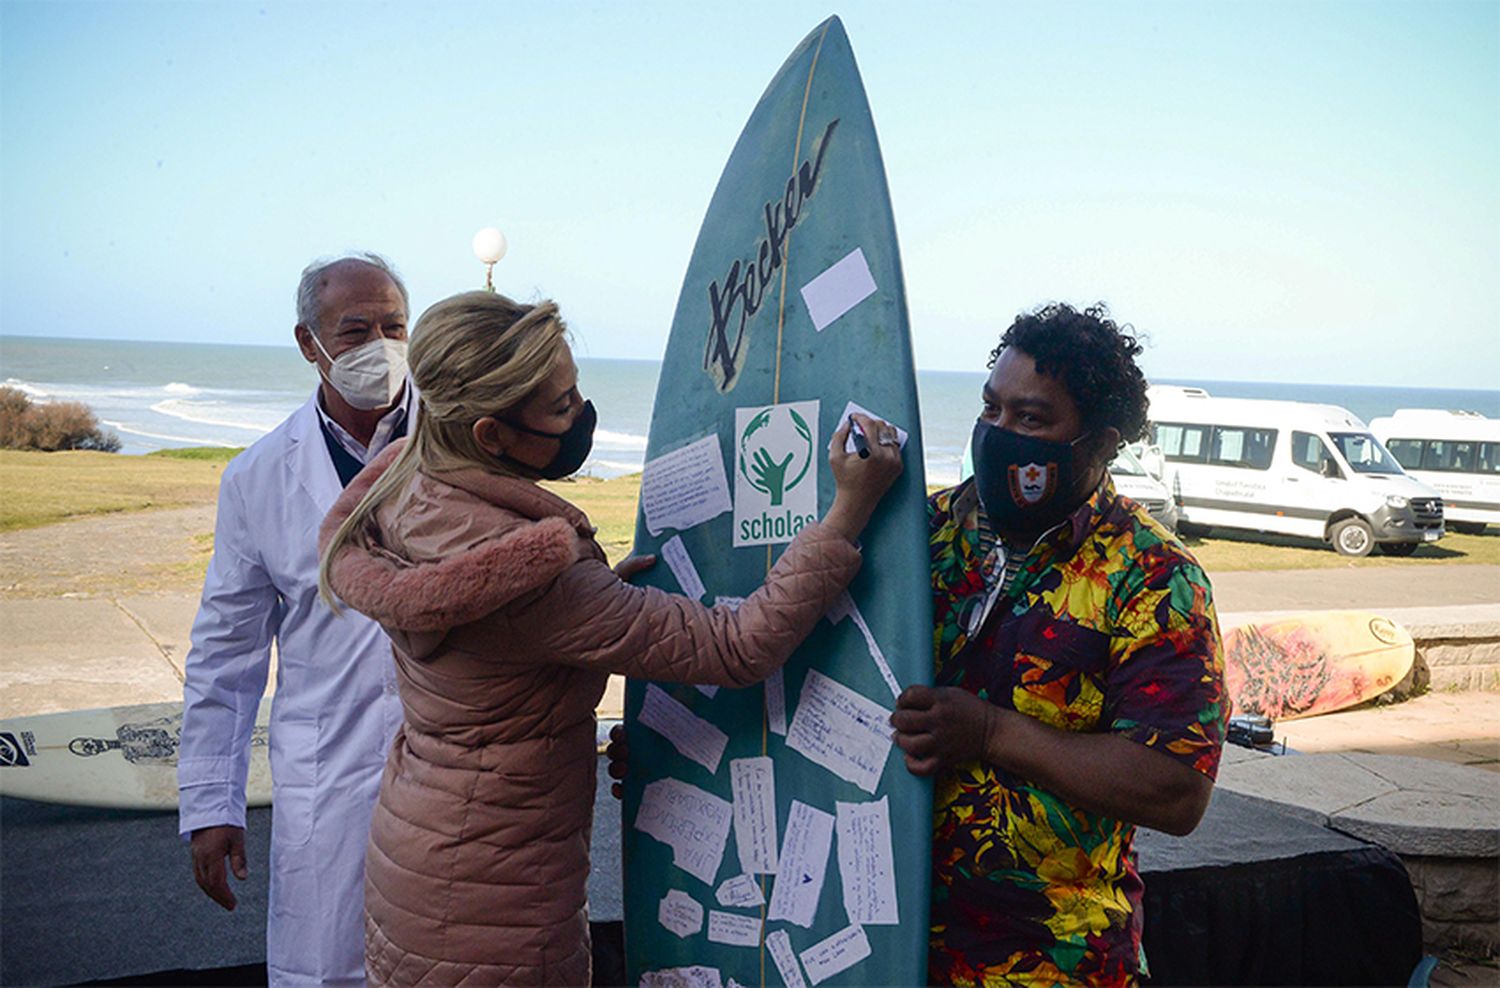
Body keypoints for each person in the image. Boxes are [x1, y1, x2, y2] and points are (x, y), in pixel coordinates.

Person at [316, 289, 903, 986]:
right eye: (562, 405)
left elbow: (500, 641)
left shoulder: (410, 488)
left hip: (419, 862)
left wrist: (600, 604)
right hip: (497, 909)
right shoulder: (536, 579)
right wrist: (848, 511)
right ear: (491, 437)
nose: (580, 414)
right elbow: (736, 646)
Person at [890, 302, 1227, 986]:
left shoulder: (1154, 576)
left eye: (1031, 419)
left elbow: (1174, 792)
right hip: (883, 946)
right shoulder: (913, 538)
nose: (999, 433)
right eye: (991, 410)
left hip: (1052, 961)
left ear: (1099, 445)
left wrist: (988, 733)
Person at [178, 253, 414, 987]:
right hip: (329, 770)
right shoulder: (258, 476)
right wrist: (211, 801)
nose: (379, 345)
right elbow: (227, 649)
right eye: (354, 331)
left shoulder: (463, 442)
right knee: (328, 967)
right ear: (308, 344)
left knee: (456, 957)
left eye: (395, 326)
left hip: (451, 758)